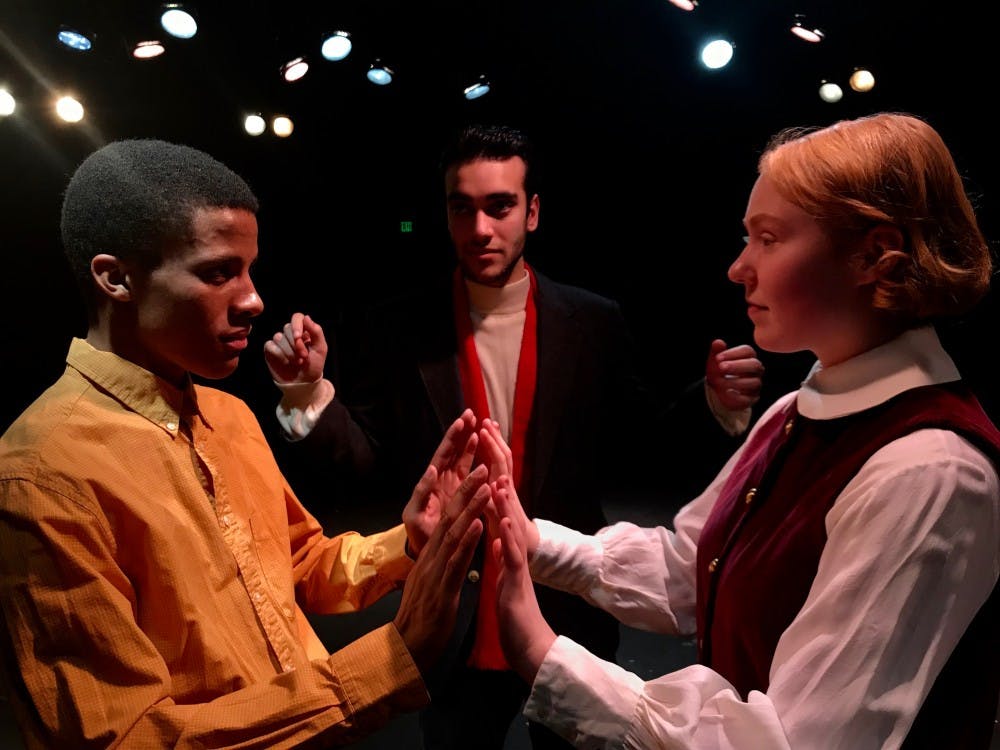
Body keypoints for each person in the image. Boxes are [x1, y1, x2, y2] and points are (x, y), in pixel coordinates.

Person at [486, 111, 1000, 749]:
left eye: (770, 238)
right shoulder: (797, 411)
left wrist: (543, 653)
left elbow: (790, 743)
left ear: (874, 256)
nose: (738, 267)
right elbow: (691, 571)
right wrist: (523, 536)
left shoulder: (931, 473)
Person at [263, 122, 765, 749]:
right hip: (450, 614)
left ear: (532, 212)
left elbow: (641, 446)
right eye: (461, 208)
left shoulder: (592, 322)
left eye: (499, 207)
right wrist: (308, 394)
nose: (479, 230)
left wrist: (712, 401)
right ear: (445, 215)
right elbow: (369, 461)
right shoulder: (398, 326)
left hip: (564, 607)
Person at [0, 138, 499, 750]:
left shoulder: (229, 415)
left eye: (249, 269)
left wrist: (407, 542)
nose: (254, 300)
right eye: (217, 272)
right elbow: (127, 738)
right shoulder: (40, 476)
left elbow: (300, 563)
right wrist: (386, 663)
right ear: (115, 278)